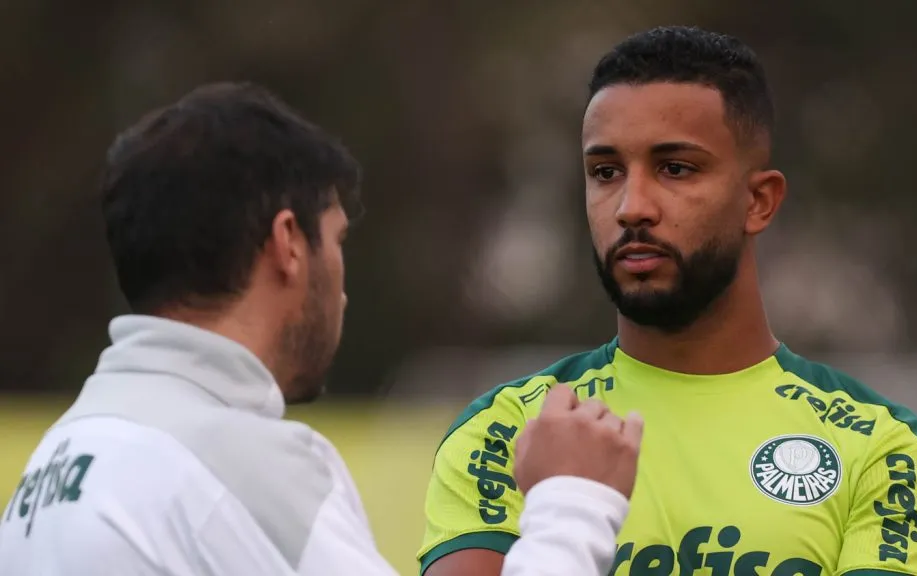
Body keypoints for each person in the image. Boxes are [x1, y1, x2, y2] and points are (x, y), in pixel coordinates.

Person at [0, 82, 644, 575]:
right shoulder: (238, 461)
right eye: (336, 240)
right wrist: (571, 503)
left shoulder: (56, 462)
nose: (340, 287)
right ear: (288, 243)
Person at [418, 26, 917, 576]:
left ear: (759, 201)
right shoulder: (510, 429)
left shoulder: (883, 449)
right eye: (605, 172)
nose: (632, 206)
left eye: (675, 168)